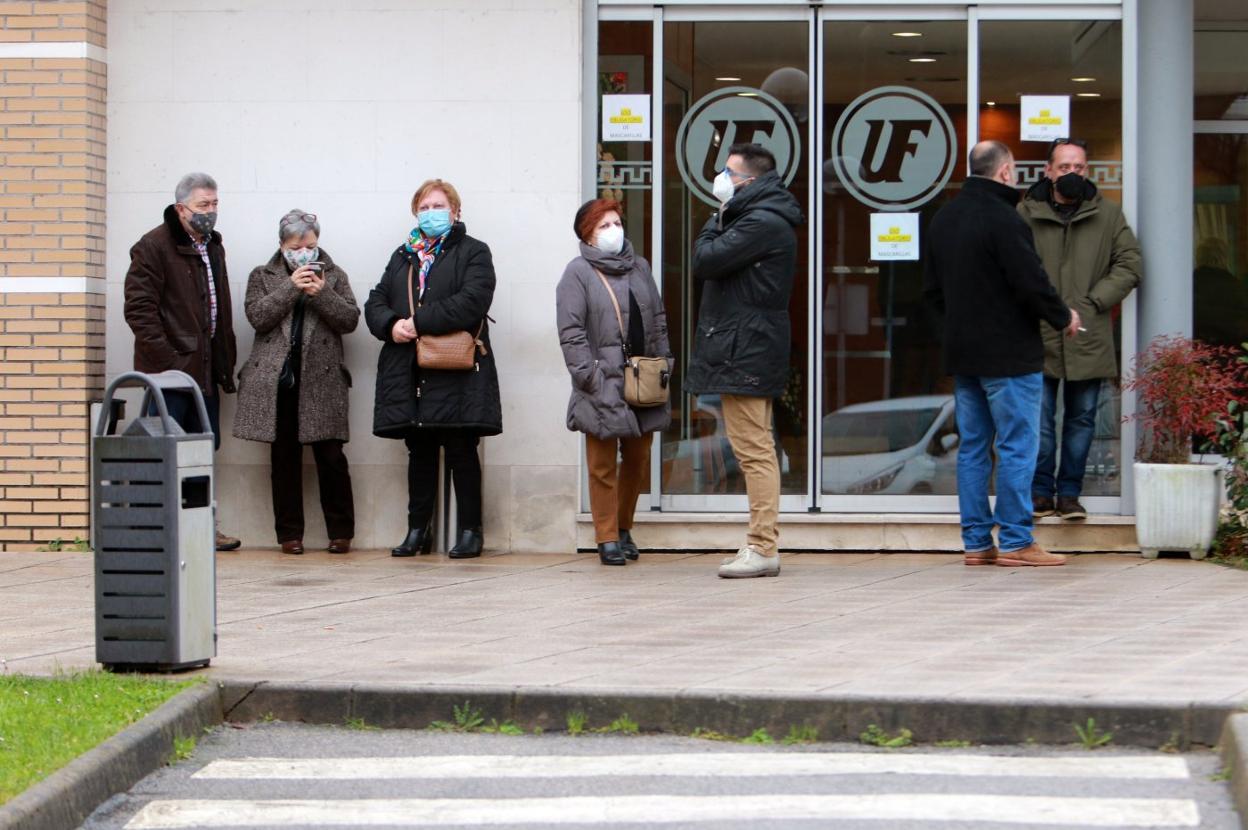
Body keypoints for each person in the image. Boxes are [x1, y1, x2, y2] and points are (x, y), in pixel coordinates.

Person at [924, 141, 1081, 568]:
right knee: (1017, 446)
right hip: (1009, 355)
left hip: (964, 355)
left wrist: (953, 334)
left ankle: (976, 542)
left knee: (974, 447)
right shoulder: (1004, 219)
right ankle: (1016, 540)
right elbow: (1030, 281)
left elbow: (932, 293)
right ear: (1006, 172)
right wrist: (1061, 314)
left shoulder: (943, 219)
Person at [365, 179, 501, 559]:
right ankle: (417, 530)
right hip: (412, 370)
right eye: (424, 207)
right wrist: (392, 325)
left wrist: (418, 322)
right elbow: (376, 299)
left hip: (455, 368)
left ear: (455, 211)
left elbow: (472, 301)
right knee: (419, 452)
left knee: (461, 448)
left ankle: (471, 530)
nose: (431, 213)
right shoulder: (403, 255)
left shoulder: (474, 251)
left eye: (438, 205)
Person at [687, 143, 804, 579]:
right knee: (753, 447)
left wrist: (714, 218)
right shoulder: (757, 218)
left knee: (754, 450)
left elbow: (705, 260)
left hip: (747, 347)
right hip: (745, 344)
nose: (721, 180)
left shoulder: (761, 222)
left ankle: (762, 545)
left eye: (728, 173)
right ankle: (760, 541)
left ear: (749, 181)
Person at [1019, 138, 1142, 521]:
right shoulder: (1024, 213)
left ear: (1087, 170)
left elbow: (1130, 264)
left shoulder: (1108, 215)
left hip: (1088, 334)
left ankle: (1069, 493)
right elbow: (1012, 267)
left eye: (1079, 167)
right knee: (1038, 421)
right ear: (1048, 171)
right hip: (1036, 333)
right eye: (1064, 167)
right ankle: (1040, 492)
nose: (1072, 173)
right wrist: (1045, 307)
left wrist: (1091, 303)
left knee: (1081, 420)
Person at [123, 172, 240, 551]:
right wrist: (170, 361)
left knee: (201, 450)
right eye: (203, 205)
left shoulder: (212, 245)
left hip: (204, 371)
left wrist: (223, 362)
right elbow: (140, 312)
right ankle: (150, 528)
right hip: (170, 374)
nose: (211, 212)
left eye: (215, 204)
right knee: (163, 449)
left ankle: (201, 527)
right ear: (181, 208)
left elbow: (216, 308)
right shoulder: (153, 246)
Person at [232, 210, 360, 555]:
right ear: (282, 246)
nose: (304, 253)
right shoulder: (263, 275)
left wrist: (323, 294)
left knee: (331, 457)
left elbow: (349, 320)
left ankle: (341, 532)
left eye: (311, 246)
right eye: (296, 246)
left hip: (323, 380)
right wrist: (291, 287)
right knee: (284, 459)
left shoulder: (335, 275)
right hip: (278, 382)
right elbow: (257, 317)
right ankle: (289, 535)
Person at [556, 199, 673, 566]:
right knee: (601, 462)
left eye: (616, 222)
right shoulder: (577, 273)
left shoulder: (640, 267)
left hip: (645, 376)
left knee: (637, 458)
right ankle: (606, 537)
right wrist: (586, 374)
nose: (613, 230)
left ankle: (624, 527)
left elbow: (658, 319)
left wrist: (665, 362)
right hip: (601, 379)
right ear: (587, 233)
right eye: (604, 225)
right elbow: (571, 330)